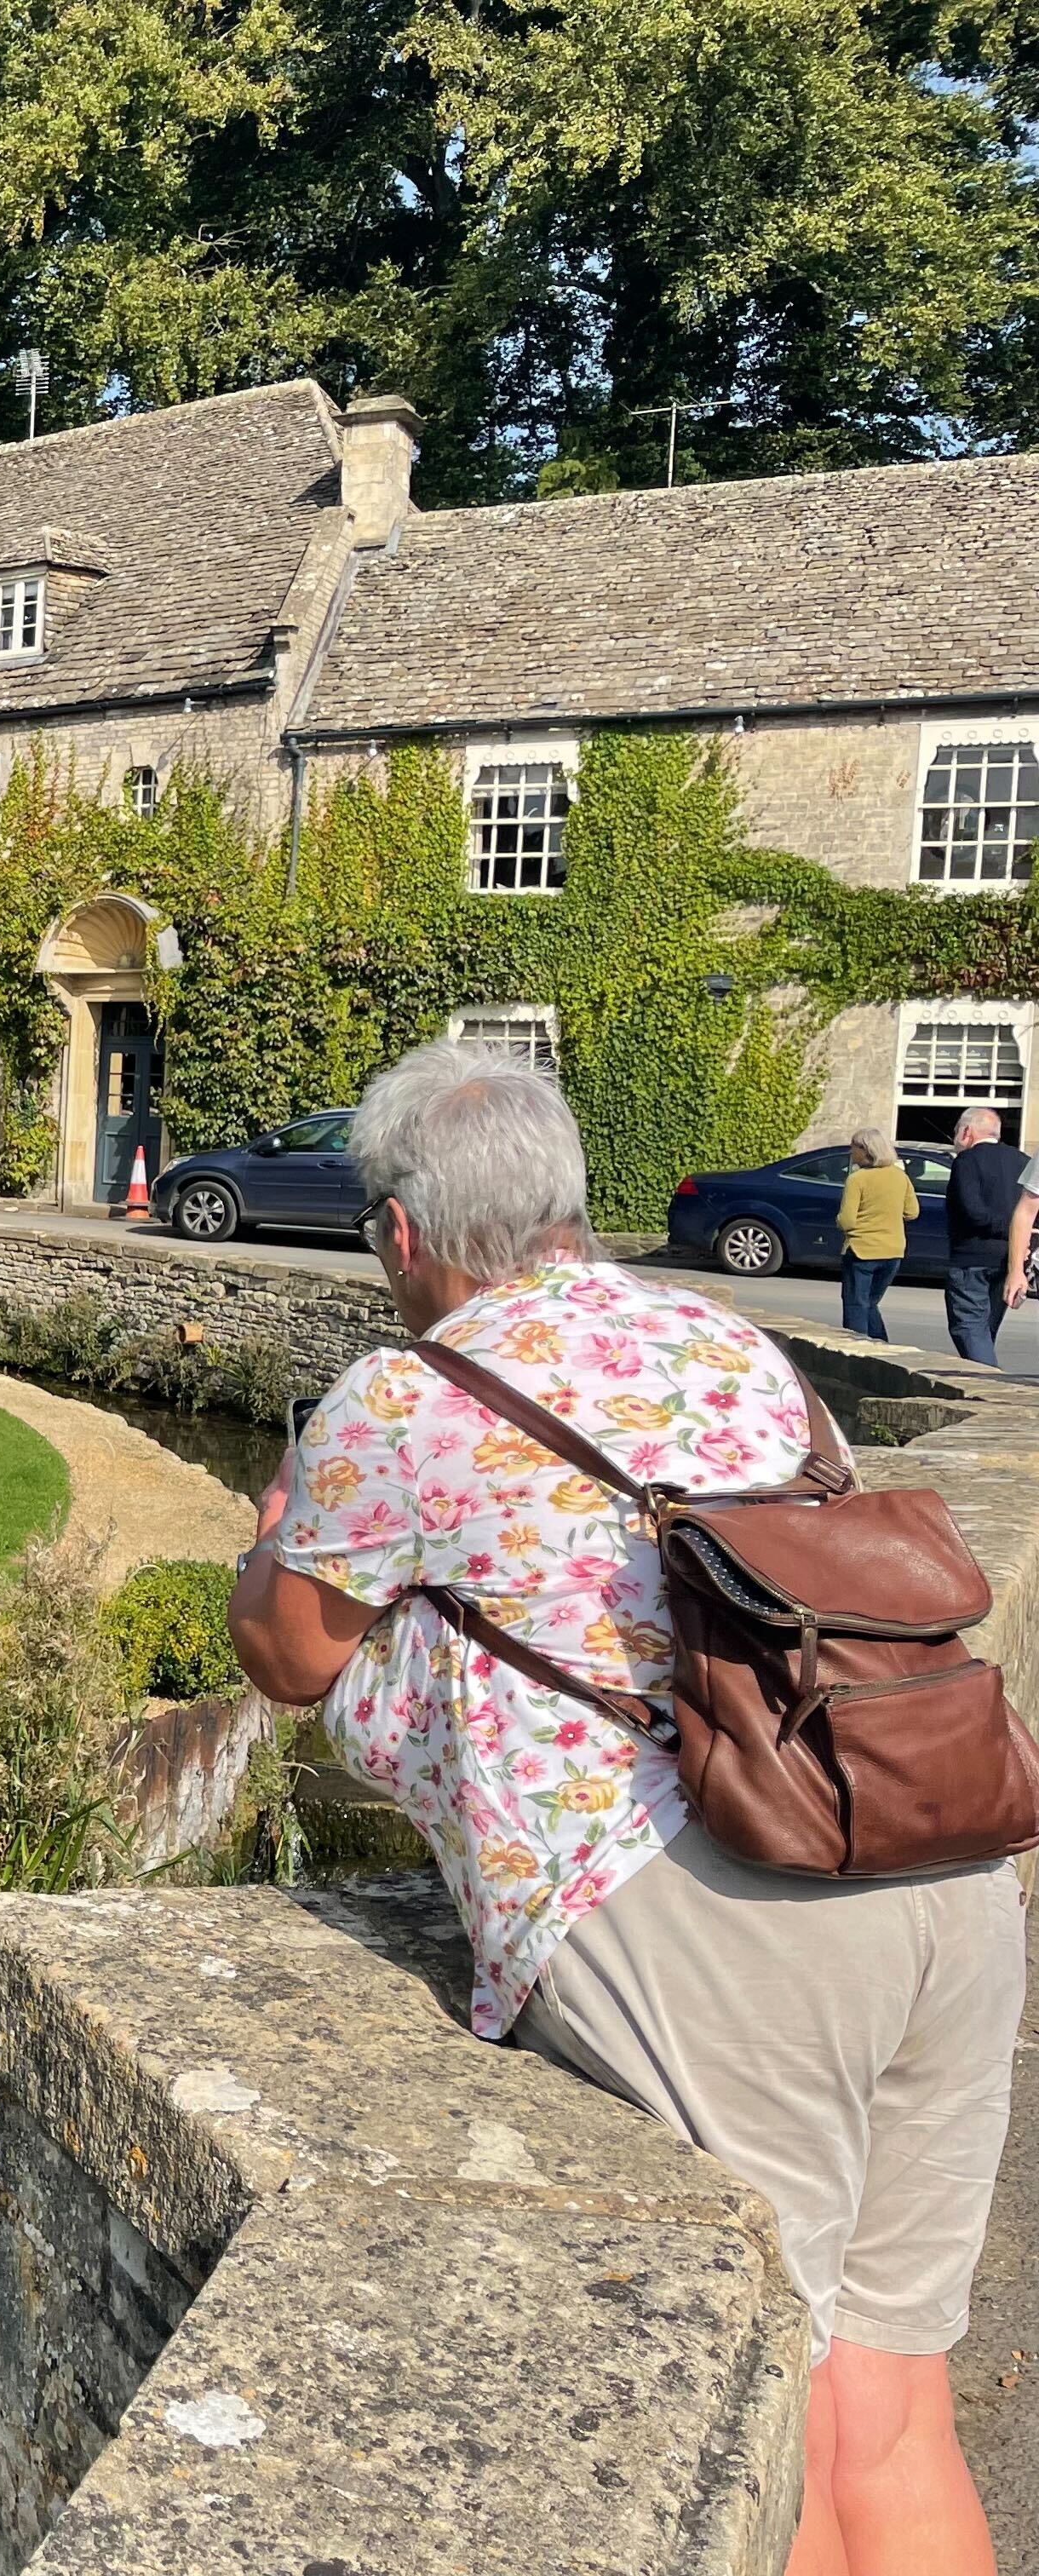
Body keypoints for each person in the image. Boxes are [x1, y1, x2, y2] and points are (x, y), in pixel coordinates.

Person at [230, 1043, 1023, 2576]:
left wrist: (274, 1529)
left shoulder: (407, 1391)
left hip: (720, 1908)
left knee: (764, 2415)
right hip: (932, 1851)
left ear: (398, 1233)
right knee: (893, 2409)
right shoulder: (737, 1348)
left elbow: (286, 1656)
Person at [939, 1106, 1024, 1366]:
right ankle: (983, 1375)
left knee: (969, 1327)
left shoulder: (966, 1161)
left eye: (956, 1131)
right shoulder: (1022, 1161)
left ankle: (989, 1385)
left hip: (972, 1257)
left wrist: (1004, 1226)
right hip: (1009, 1258)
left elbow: (971, 1211)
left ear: (967, 1131)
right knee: (986, 1330)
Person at [835, 1129, 916, 1342]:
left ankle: (858, 1352)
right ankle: (881, 1346)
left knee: (856, 1304)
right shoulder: (900, 1177)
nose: (851, 1152)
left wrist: (840, 1222)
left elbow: (847, 1220)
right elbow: (912, 1212)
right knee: (870, 1303)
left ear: (865, 1150)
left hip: (862, 1250)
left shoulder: (857, 1179)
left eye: (853, 1147)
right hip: (893, 1252)